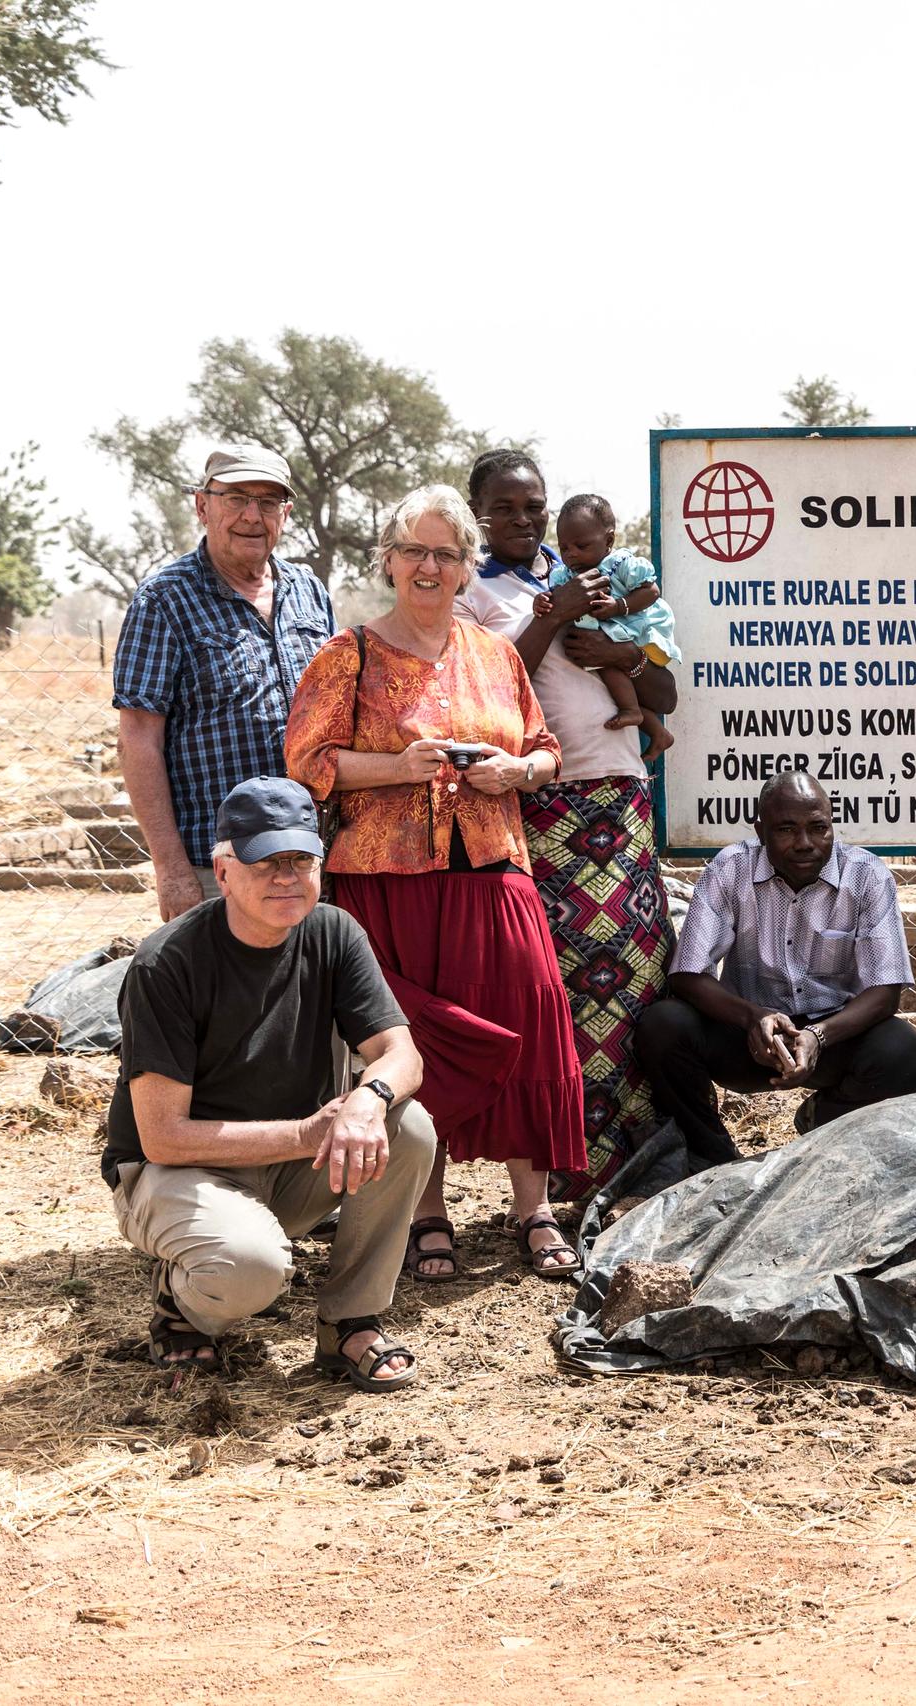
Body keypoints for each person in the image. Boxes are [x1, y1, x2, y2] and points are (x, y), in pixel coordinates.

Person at [284, 484, 585, 1283]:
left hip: (493, 872)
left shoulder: (494, 654)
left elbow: (547, 747)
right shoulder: (347, 655)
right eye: (413, 550)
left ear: (465, 568)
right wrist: (394, 768)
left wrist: (517, 769)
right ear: (388, 560)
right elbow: (308, 763)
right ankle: (425, 1212)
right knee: (410, 1043)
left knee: (529, 1016)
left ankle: (534, 1207)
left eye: (444, 553)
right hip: (387, 886)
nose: (427, 565)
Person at [103, 777, 431, 1391]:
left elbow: (402, 1054)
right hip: (177, 1172)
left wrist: (369, 1098)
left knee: (407, 1125)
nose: (286, 877)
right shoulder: (167, 963)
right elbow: (164, 1139)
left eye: (299, 860)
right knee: (248, 1271)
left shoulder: (333, 931)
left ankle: (349, 1322)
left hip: (290, 1161)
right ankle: (183, 1305)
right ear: (223, 871)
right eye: (265, 862)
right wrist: (309, 1133)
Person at [455, 451, 679, 1203]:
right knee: (565, 986)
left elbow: (665, 690)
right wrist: (554, 616)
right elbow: (491, 688)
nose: (523, 521)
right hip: (545, 805)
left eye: (534, 508)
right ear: (477, 511)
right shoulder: (473, 591)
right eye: (506, 508)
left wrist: (618, 648)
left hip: (621, 794)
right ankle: (569, 1159)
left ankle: (644, 1151)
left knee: (637, 975)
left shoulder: (592, 566)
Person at [636, 771, 916, 1156]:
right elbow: (688, 973)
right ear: (760, 831)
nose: (805, 843)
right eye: (787, 830)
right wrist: (751, 1017)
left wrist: (818, 1036)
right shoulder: (730, 868)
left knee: (903, 1050)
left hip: (834, 1034)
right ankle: (712, 1158)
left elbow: (886, 992)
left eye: (818, 828)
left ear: (832, 823)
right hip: (750, 1036)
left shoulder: (867, 875)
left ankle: (825, 1131)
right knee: (663, 1024)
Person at [113, 444, 334, 923]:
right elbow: (138, 739)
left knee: (307, 991)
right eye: (235, 498)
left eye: (268, 502)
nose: (252, 516)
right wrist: (171, 868)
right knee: (224, 994)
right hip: (218, 861)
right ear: (202, 506)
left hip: (307, 854)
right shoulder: (165, 599)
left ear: (286, 513)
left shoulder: (309, 592)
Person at [544, 492, 676, 759]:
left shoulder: (620, 565)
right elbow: (554, 598)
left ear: (609, 540)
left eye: (581, 546)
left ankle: (638, 716)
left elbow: (651, 590)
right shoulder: (565, 575)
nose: (571, 555)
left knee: (609, 667)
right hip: (603, 637)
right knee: (607, 675)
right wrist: (543, 601)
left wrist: (619, 606)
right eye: (564, 548)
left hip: (634, 629)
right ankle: (655, 729)